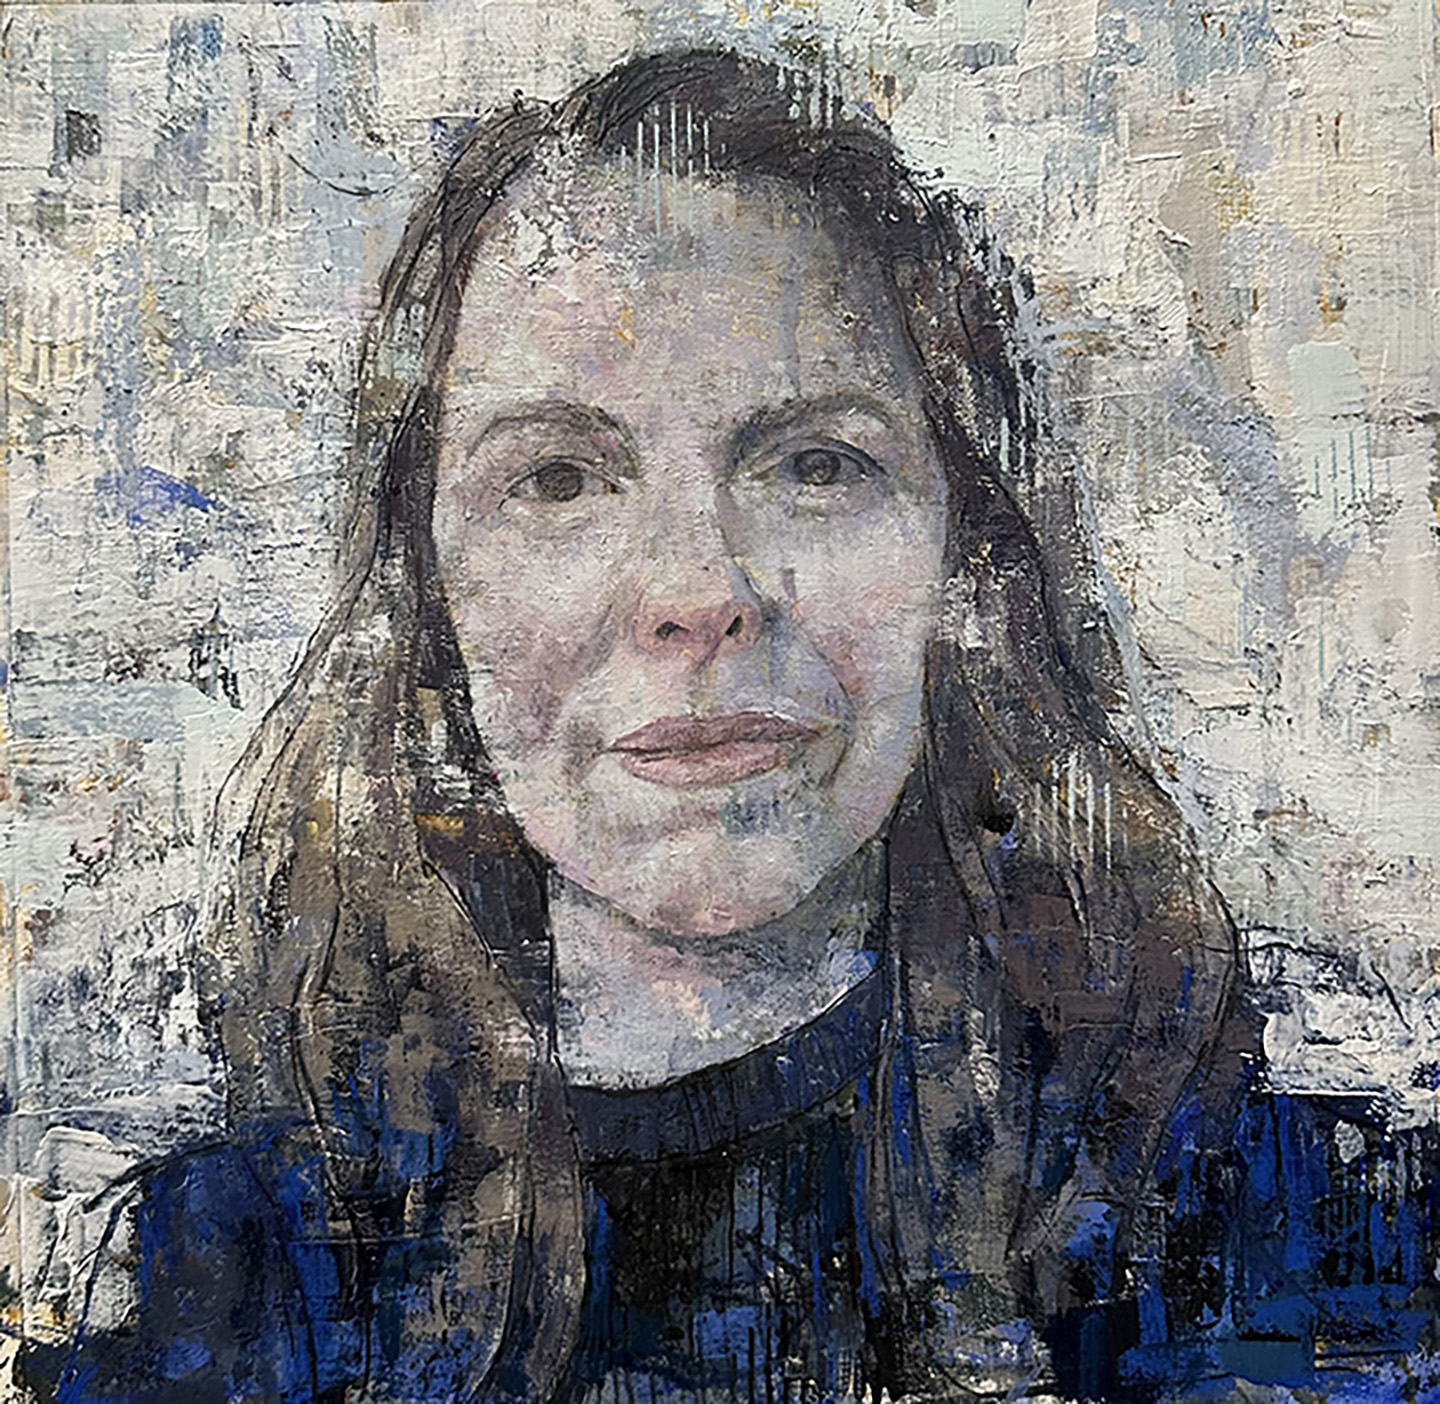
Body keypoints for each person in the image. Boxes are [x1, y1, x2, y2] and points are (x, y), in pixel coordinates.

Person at [16, 47, 1433, 1404]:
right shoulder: (221, 1281)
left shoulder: (1285, 1228)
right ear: (428, 590)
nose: (701, 594)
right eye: (559, 479)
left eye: (817, 463)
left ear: (968, 557)